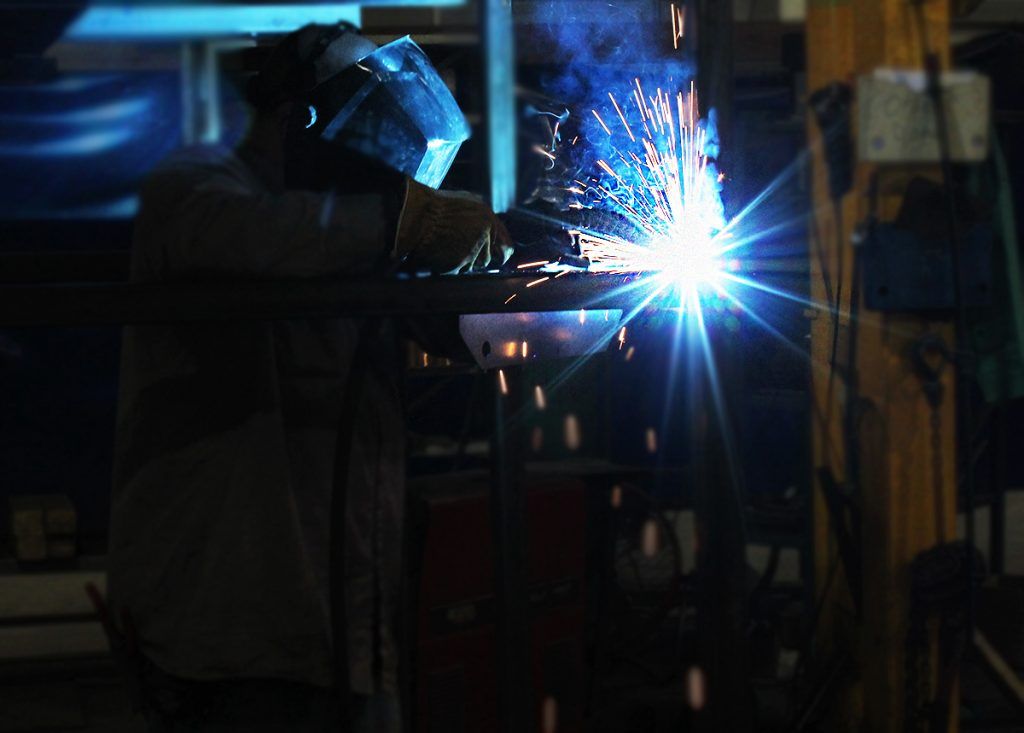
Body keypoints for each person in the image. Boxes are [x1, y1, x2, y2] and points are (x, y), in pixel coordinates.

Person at [107, 22, 512, 732]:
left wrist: (550, 275)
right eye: (378, 150)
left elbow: (454, 321)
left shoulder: (347, 229)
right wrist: (403, 226)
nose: (391, 176)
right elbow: (264, 235)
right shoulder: (197, 190)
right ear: (304, 123)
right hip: (228, 632)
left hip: (350, 625)